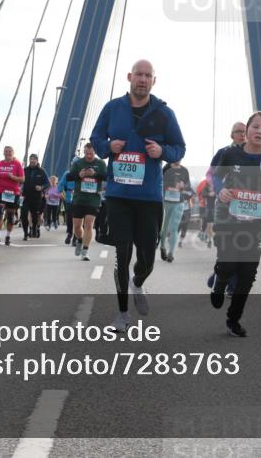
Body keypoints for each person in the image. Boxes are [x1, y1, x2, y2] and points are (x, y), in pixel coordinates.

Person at [91, 59, 186, 332]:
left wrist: (163, 152)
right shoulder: (112, 108)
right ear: (129, 77)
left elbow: (179, 147)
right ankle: (122, 315)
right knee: (122, 253)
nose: (142, 79)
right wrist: (109, 146)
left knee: (147, 257)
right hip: (118, 195)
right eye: (139, 75)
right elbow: (96, 140)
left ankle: (138, 282)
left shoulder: (164, 113)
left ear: (154, 81)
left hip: (148, 197)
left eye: (147, 76)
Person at [211, 111, 261, 337]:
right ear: (246, 130)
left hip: (257, 225)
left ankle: (234, 320)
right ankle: (220, 280)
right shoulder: (230, 154)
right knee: (228, 265)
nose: (259, 131)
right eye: (255, 127)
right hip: (228, 220)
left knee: (248, 273)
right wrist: (221, 191)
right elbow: (216, 177)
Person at [68, 142, 108, 260]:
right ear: (84, 152)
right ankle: (80, 240)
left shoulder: (100, 163)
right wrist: (79, 175)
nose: (89, 156)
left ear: (95, 152)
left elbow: (106, 177)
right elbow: (69, 177)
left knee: (89, 224)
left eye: (91, 153)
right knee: (77, 226)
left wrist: (95, 174)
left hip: (93, 199)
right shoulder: (78, 163)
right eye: (87, 153)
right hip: (79, 198)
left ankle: (85, 250)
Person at [160, 159, 191, 262]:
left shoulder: (184, 170)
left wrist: (183, 185)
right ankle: (162, 247)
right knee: (164, 228)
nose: (179, 159)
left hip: (179, 202)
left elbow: (188, 186)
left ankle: (171, 253)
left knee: (174, 228)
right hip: (166, 201)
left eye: (180, 157)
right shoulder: (166, 168)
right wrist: (169, 186)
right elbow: (159, 181)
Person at [0, 146, 24, 245]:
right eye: (6, 151)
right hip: (1, 191)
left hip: (13, 193)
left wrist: (13, 177)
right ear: (3, 153)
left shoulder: (17, 164)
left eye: (10, 151)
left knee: (10, 216)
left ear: (13, 153)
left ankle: (7, 236)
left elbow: (22, 179)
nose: (8, 153)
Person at [23, 154, 48, 239]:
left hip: (37, 197)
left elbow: (47, 183)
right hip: (26, 196)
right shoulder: (25, 170)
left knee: (36, 215)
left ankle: (35, 228)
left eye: (34, 159)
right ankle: (26, 232)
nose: (32, 160)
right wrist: (19, 188)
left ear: (37, 161)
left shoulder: (41, 171)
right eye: (31, 159)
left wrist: (41, 187)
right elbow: (20, 181)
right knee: (24, 214)